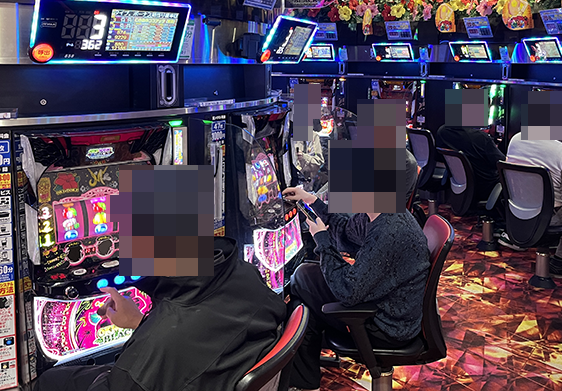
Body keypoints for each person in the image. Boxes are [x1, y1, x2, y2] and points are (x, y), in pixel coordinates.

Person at [33, 237, 287, 391]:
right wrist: (141, 323)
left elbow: (132, 377)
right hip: (218, 373)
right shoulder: (242, 271)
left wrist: (145, 335)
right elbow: (197, 336)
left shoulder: (152, 350)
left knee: (50, 380)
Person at [282, 187, 431, 391]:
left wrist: (322, 240)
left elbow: (348, 291)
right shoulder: (380, 211)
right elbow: (346, 233)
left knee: (301, 281)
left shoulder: (390, 231)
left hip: (388, 326)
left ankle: (302, 381)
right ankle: (304, 383)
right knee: (304, 295)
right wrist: (312, 201)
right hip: (387, 304)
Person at [505, 132, 562, 279]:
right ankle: (561, 262)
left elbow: (539, 155)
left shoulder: (516, 139)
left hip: (517, 211)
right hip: (548, 218)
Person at [436, 125, 505, 203]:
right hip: (484, 187)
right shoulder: (481, 138)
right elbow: (501, 163)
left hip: (460, 185)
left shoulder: (442, 132)